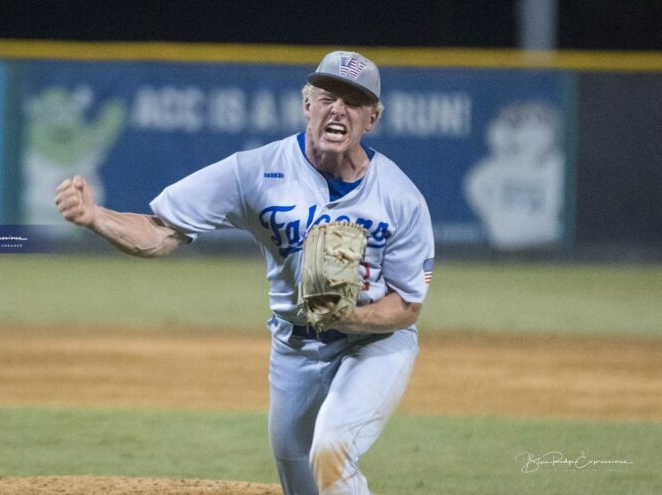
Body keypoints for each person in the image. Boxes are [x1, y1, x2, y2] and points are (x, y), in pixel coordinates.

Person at [55, 50, 435, 495]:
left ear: (371, 119)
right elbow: (161, 231)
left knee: (332, 447)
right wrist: (96, 217)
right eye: (328, 95)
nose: (338, 109)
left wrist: (344, 318)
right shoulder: (254, 172)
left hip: (375, 346)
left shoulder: (400, 196)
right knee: (301, 482)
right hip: (294, 350)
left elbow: (408, 305)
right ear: (306, 104)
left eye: (353, 102)